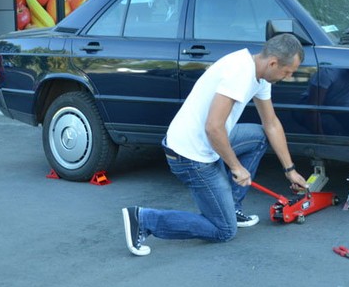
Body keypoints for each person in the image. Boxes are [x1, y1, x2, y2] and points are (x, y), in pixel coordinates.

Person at [122, 34, 308, 256]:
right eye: (287, 72)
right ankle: (144, 220)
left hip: (208, 141)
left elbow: (271, 124)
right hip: (191, 155)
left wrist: (290, 170)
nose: (288, 77)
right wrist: (236, 167)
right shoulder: (239, 73)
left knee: (259, 137)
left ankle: (231, 207)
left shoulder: (260, 74)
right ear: (273, 63)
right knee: (224, 230)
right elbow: (213, 127)